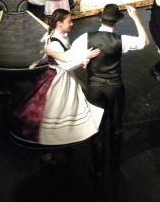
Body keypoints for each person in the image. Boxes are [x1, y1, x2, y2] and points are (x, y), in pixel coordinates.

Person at [12, 9, 103, 166]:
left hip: (63, 77)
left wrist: (82, 57)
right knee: (54, 112)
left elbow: (68, 55)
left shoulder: (60, 36)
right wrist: (85, 56)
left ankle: (64, 141)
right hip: (57, 80)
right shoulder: (54, 42)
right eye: (69, 21)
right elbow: (66, 64)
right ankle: (48, 152)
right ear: (59, 24)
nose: (72, 24)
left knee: (67, 110)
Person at [70, 4, 150, 178]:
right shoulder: (121, 40)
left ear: (101, 19)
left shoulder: (85, 38)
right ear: (117, 22)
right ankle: (114, 162)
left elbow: (72, 56)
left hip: (95, 88)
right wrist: (136, 17)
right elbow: (145, 41)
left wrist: (84, 60)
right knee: (116, 125)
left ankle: (98, 168)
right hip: (114, 87)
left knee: (97, 129)